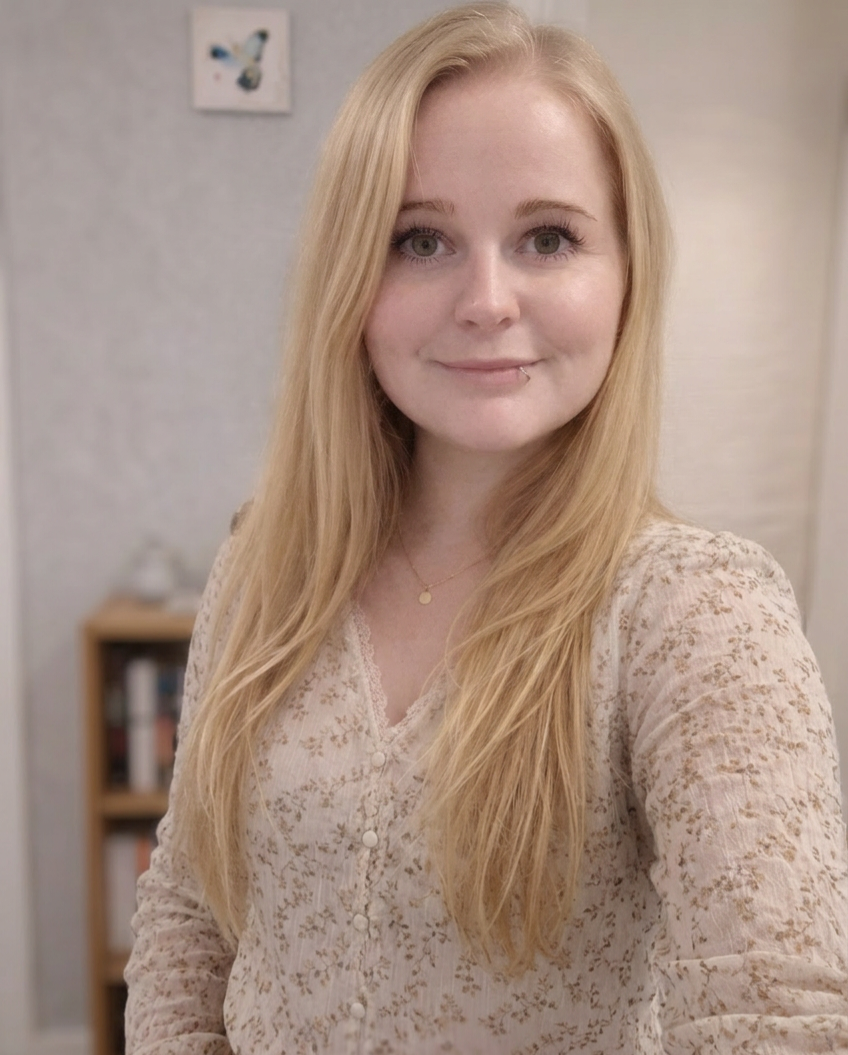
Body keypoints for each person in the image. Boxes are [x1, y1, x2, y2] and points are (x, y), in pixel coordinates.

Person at [124, 4, 848, 1052]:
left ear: (627, 274)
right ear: (349, 277)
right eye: (420, 240)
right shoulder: (260, 566)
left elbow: (774, 1015)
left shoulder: (697, 614)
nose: (486, 299)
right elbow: (190, 909)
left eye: (548, 237)